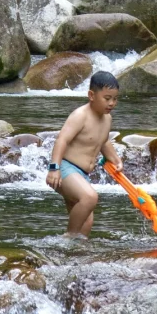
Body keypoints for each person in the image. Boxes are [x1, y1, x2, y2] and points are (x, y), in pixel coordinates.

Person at [45, 70, 121, 236]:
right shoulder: (80, 115)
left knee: (86, 222)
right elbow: (62, 140)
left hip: (82, 174)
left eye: (115, 99)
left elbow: (103, 141)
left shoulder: (107, 119)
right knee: (89, 197)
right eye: (107, 98)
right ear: (91, 95)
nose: (111, 103)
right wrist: (54, 168)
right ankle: (68, 238)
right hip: (65, 168)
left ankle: (75, 249)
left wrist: (115, 159)